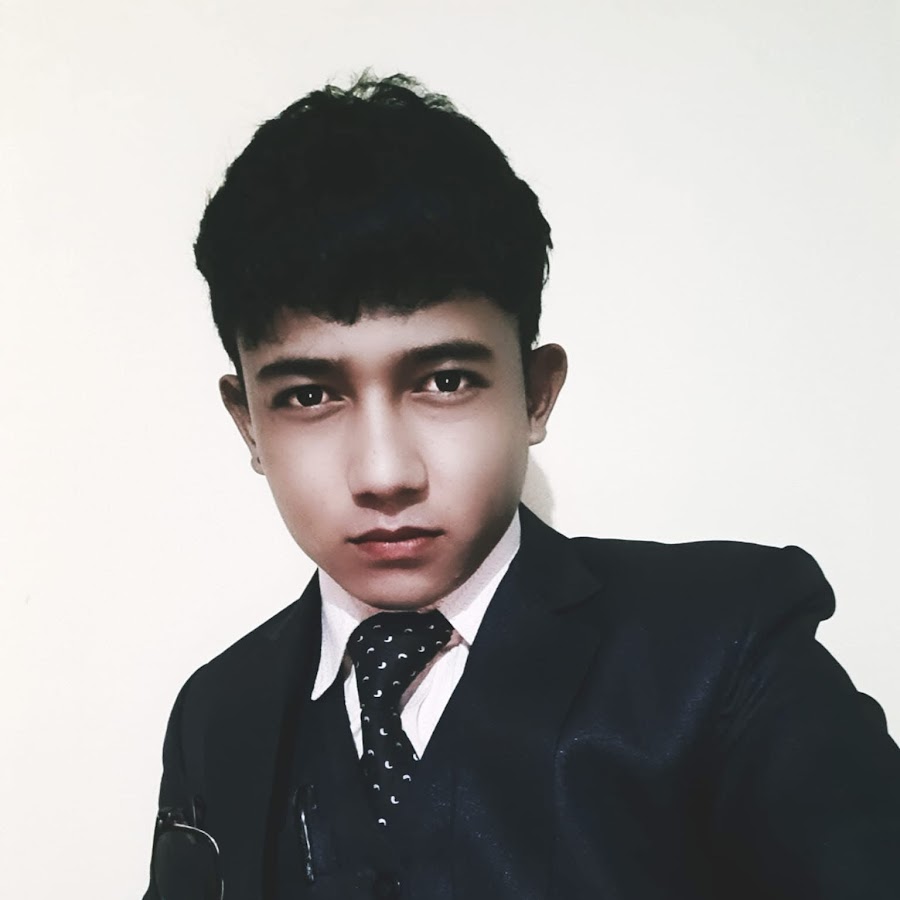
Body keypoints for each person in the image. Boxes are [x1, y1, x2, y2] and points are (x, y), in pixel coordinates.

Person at [145, 73, 900, 900]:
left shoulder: (723, 649)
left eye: (444, 382)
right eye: (307, 396)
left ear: (535, 394)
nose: (385, 474)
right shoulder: (218, 713)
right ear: (248, 423)